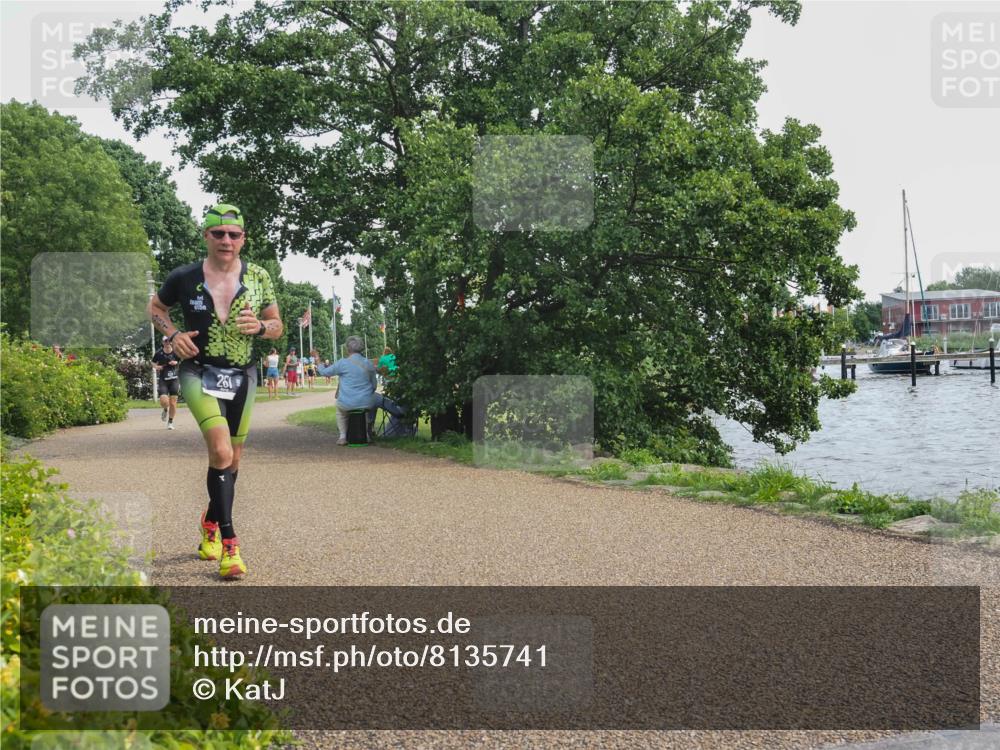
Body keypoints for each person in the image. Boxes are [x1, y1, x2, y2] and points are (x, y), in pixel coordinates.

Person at [147, 203, 282, 579]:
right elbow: (156, 307)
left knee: (232, 460)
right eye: (218, 233)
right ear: (206, 236)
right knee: (220, 449)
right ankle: (230, 545)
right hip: (199, 371)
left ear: (243, 239)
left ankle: (209, 520)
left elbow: (277, 326)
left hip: (243, 375)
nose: (226, 240)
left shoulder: (258, 276)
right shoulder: (185, 276)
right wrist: (172, 334)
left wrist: (259, 328)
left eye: (233, 234)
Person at [315, 336, 380, 445]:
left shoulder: (342, 363)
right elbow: (374, 385)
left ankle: (343, 436)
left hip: (347, 402)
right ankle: (367, 434)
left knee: (341, 412)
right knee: (366, 410)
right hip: (366, 402)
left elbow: (324, 372)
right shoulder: (368, 363)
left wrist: (317, 359)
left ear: (347, 349)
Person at [153, 335, 181, 429]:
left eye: (169, 341)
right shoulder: (159, 353)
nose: (167, 342)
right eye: (165, 341)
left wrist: (176, 363)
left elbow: (182, 361)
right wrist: (157, 367)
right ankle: (165, 409)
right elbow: (153, 362)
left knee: (173, 402)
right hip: (163, 380)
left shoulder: (176, 352)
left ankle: (170, 422)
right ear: (163, 342)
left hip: (174, 380)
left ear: (171, 342)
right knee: (164, 401)